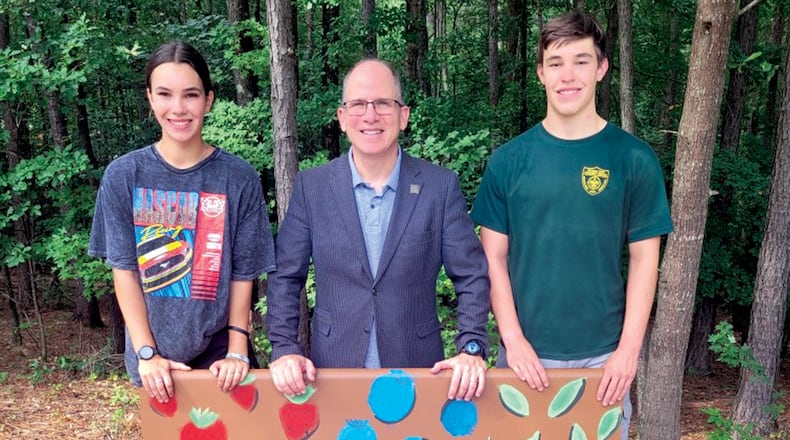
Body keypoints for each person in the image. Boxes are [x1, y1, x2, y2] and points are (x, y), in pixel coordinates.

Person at [470, 12, 673, 438]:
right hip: (525, 358)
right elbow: (493, 258)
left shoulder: (633, 159)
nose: (568, 75)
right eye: (557, 62)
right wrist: (513, 340)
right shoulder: (508, 161)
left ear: (601, 69)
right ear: (541, 72)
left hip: (604, 361)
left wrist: (628, 351)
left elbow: (644, 260)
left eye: (582, 61)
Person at [266, 58, 491, 401]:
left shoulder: (439, 187)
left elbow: (471, 274)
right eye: (358, 104)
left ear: (403, 115)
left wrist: (471, 347)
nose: (370, 115)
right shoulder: (312, 188)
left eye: (383, 103)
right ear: (342, 118)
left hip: (417, 375)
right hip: (332, 375)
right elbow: (285, 276)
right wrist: (284, 348)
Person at [88, 41, 276, 404]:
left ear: (208, 100)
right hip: (154, 355)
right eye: (165, 94)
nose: (178, 108)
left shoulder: (239, 177)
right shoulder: (124, 175)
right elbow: (124, 270)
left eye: (190, 95)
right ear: (150, 99)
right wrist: (146, 353)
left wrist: (237, 347)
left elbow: (243, 272)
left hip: (222, 352)